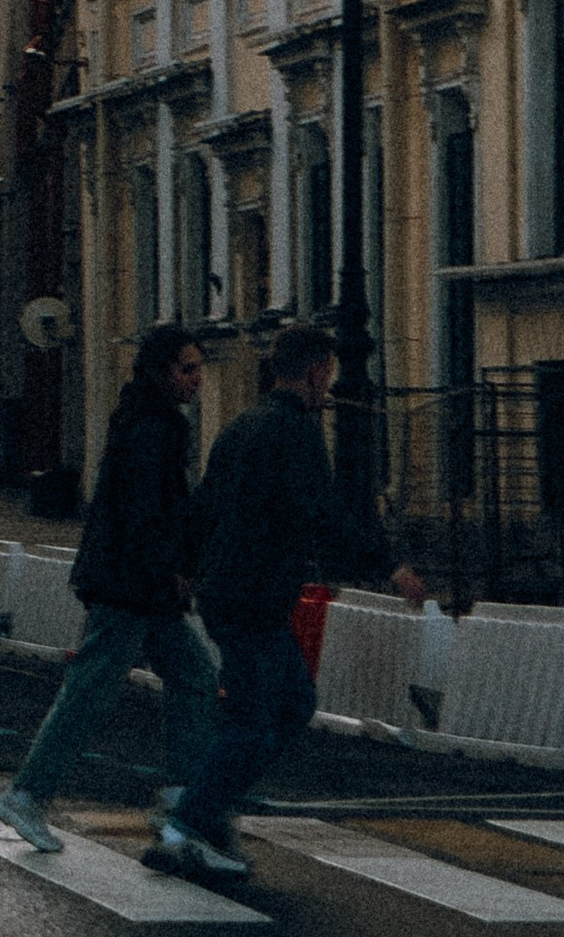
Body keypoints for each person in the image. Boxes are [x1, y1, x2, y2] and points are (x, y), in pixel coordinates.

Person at [144, 320, 423, 888]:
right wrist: (389, 565)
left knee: (293, 702)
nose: (330, 385)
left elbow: (204, 504)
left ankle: (204, 804)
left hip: (233, 592)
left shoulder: (241, 425)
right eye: (329, 374)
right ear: (317, 371)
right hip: (253, 596)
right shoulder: (297, 433)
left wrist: (185, 567)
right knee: (254, 724)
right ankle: (186, 826)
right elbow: (325, 514)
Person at [0, 323, 216, 857]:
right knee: (91, 691)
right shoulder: (153, 428)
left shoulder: (148, 418)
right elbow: (146, 513)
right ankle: (27, 793)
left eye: (199, 368)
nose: (197, 379)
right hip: (129, 584)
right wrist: (173, 569)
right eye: (187, 369)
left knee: (195, 678)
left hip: (138, 583)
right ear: (161, 372)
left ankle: (178, 798)